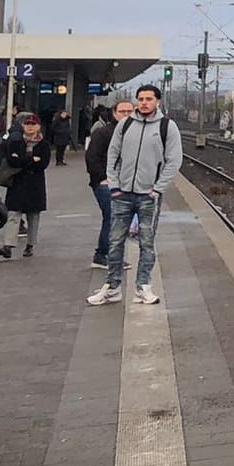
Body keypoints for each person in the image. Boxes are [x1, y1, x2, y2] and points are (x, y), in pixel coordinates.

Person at [89, 84, 184, 306]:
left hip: (148, 196)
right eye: (140, 99)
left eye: (148, 99)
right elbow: (113, 154)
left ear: (157, 101)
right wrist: (114, 184)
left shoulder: (167, 127)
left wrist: (157, 189)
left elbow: (174, 160)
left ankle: (143, 287)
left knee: (147, 243)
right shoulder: (125, 124)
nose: (144, 102)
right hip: (122, 194)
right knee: (115, 242)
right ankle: (112, 288)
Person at [0, 114, 50, 258]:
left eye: (33, 124)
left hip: (35, 185)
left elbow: (43, 164)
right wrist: (31, 159)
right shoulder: (15, 142)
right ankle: (8, 246)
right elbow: (11, 161)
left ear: (38, 126)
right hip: (18, 183)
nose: (30, 126)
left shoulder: (44, 144)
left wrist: (21, 159)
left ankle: (30, 245)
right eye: (27, 124)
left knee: (33, 216)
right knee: (13, 213)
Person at [85, 102, 130, 268]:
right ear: (114, 113)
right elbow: (92, 157)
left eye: (129, 111)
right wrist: (101, 178)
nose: (126, 114)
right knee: (113, 218)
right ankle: (104, 256)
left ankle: (107, 255)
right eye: (122, 111)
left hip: (125, 183)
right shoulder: (103, 133)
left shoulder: (133, 132)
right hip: (106, 184)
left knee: (118, 219)